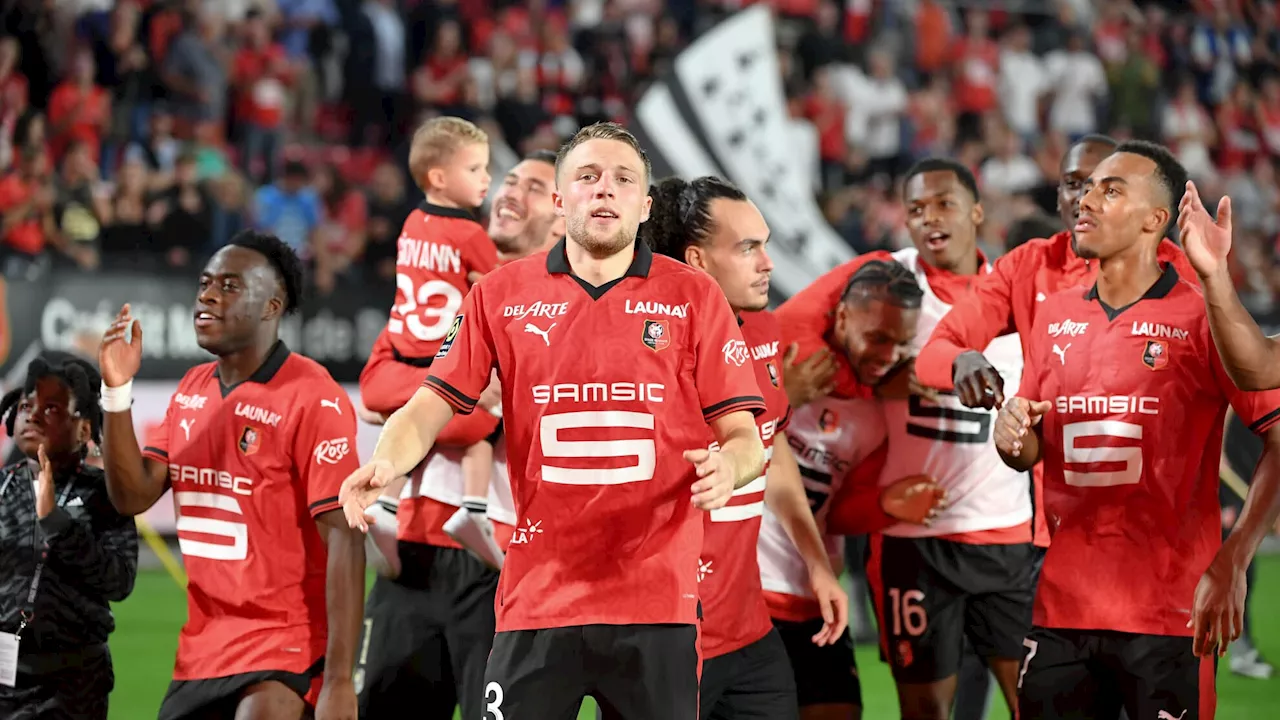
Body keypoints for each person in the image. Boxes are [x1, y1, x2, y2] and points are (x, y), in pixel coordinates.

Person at [339, 122, 767, 718]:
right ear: (561, 201)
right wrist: (385, 462)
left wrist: (731, 467)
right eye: (587, 177)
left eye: (622, 180)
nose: (604, 191)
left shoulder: (695, 297)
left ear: (644, 205)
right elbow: (428, 404)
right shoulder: (499, 294)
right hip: (537, 598)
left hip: (657, 603)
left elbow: (746, 436)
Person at [994, 140, 1280, 719]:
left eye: (1110, 189)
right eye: (1086, 188)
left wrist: (1234, 557)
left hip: (1170, 609)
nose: (1086, 200)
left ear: (1156, 219)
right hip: (1060, 606)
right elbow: (1029, 444)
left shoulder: (1206, 316)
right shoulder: (1054, 315)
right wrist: (1010, 434)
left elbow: (1277, 435)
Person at [97, 231, 365, 720]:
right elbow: (132, 495)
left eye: (229, 285)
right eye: (204, 283)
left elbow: (345, 538)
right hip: (202, 651)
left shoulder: (313, 396)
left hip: (285, 648)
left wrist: (342, 680)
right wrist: (116, 392)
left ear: (271, 307)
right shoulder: (192, 388)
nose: (207, 295)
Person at [355, 150, 565, 720]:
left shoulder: (569, 310)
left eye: (535, 187)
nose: (510, 191)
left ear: (565, 215)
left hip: (505, 559)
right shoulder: (442, 292)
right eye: (510, 179)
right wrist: (473, 397)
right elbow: (375, 387)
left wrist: (432, 403)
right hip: (413, 550)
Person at [644, 175, 849, 720]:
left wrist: (817, 563)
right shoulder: (644, 351)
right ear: (698, 260)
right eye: (748, 247)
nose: (768, 263)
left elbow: (770, 444)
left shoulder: (762, 330)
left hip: (750, 636)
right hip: (667, 640)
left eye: (765, 244)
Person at [763, 258, 937, 720]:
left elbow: (840, 513)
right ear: (840, 318)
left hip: (815, 599)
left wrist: (885, 504)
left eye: (901, 345)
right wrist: (782, 399)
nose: (888, 356)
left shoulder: (875, 417)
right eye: (877, 338)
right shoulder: (778, 360)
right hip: (743, 596)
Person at [356, 116, 504, 571]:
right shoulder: (470, 234)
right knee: (485, 426)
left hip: (397, 362)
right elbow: (500, 290)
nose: (487, 179)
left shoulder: (411, 224)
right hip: (441, 368)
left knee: (412, 429)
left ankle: (386, 503)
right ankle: (474, 509)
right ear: (439, 177)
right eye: (476, 169)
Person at [0, 354, 137, 720]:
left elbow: (119, 580)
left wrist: (57, 524)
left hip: (74, 685)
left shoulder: (105, 495)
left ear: (84, 430)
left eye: (52, 408)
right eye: (27, 405)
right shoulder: (2, 487)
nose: (32, 414)